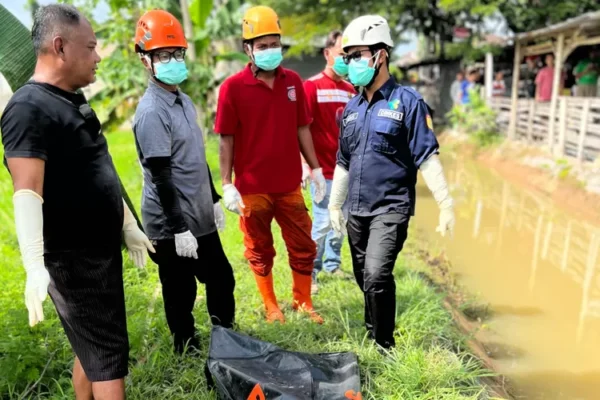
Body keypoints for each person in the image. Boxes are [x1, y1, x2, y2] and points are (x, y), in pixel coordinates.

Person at [0, 4, 155, 399]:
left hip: (98, 252)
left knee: (95, 350)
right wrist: (34, 265)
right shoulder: (27, 108)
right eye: (91, 46)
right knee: (107, 359)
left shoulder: (69, 99)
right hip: (74, 260)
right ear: (60, 47)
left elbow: (97, 168)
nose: (98, 56)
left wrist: (126, 224)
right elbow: (27, 190)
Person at [328, 15, 455, 350]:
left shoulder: (408, 102)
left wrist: (446, 204)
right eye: (348, 56)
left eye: (358, 54)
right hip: (356, 209)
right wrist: (334, 204)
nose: (352, 62)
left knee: (377, 274)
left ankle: (384, 345)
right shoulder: (351, 108)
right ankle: (373, 329)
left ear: (380, 54)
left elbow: (427, 157)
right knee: (364, 277)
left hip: (390, 208)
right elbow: (343, 161)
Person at [132, 9, 236, 354]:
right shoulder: (151, 112)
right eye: (164, 55)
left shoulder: (185, 101)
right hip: (170, 222)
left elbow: (194, 155)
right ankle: (185, 346)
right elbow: (161, 175)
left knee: (221, 278)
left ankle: (227, 340)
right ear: (147, 61)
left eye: (177, 54)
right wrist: (178, 228)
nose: (173, 61)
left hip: (199, 213)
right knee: (180, 291)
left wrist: (216, 198)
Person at [215, 5, 326, 324]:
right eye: (262, 46)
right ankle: (270, 305)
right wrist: (227, 183)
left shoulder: (293, 81)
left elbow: (302, 127)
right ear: (247, 49)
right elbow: (226, 139)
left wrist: (315, 168)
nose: (270, 51)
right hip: (252, 189)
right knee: (259, 249)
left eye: (275, 44)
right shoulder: (232, 88)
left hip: (289, 184)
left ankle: (302, 301)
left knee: (304, 244)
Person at [302, 30, 356, 294]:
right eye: (341, 54)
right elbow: (299, 129)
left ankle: (333, 264)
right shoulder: (311, 87)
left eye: (350, 55)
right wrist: (305, 165)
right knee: (322, 220)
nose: (346, 60)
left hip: (347, 169)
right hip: (322, 169)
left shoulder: (350, 90)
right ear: (327, 54)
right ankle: (311, 272)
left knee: (342, 219)